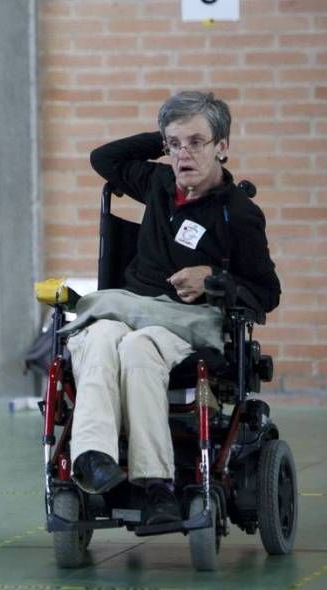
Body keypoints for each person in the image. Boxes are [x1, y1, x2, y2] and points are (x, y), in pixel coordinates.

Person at [68, 91, 280, 525]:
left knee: (139, 347)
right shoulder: (159, 184)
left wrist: (215, 280)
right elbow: (103, 158)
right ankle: (94, 458)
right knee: (98, 336)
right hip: (131, 306)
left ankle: (156, 483)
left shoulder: (239, 214)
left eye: (197, 142)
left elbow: (267, 292)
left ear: (222, 145)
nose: (184, 154)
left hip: (187, 322)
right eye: (175, 144)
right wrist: (166, 137)